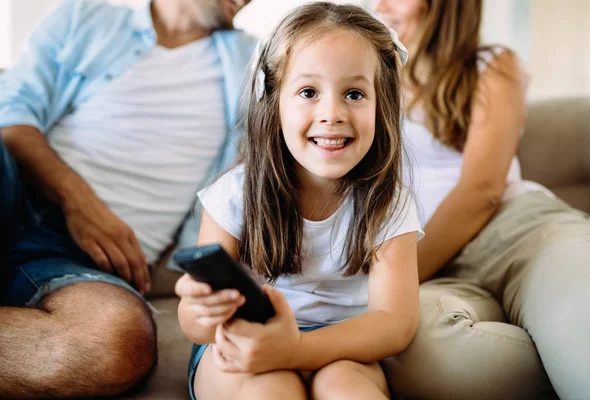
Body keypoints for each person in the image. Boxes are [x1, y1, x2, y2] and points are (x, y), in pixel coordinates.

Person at [0, 0, 255, 397]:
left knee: (116, 342)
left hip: (80, 265)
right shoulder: (84, 17)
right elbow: (10, 117)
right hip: (16, 192)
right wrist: (78, 200)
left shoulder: (254, 64)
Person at [175, 3, 424, 399]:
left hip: (343, 347)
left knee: (345, 388)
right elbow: (199, 326)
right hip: (244, 345)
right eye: (308, 92)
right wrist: (198, 311)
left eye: (355, 93)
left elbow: (395, 322)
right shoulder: (234, 195)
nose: (332, 113)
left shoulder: (388, 202)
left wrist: (297, 350)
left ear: (383, 105)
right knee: (271, 390)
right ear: (273, 104)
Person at [374, 0, 590, 399]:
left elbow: (482, 191)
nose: (381, 4)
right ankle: (560, 358)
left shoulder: (493, 66)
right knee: (421, 352)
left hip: (517, 232)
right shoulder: (367, 79)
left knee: (586, 307)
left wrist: (393, 282)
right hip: (433, 266)